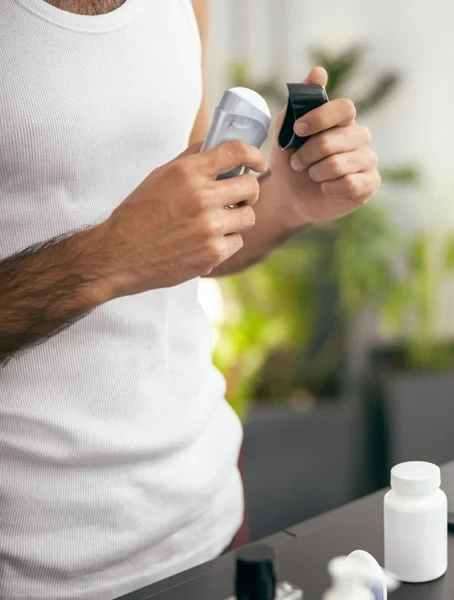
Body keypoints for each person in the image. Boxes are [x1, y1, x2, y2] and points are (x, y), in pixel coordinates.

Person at [0, 0, 381, 598]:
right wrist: (109, 254)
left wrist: (289, 202)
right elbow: (138, 245)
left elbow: (183, 239)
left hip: (203, 517)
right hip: (30, 563)